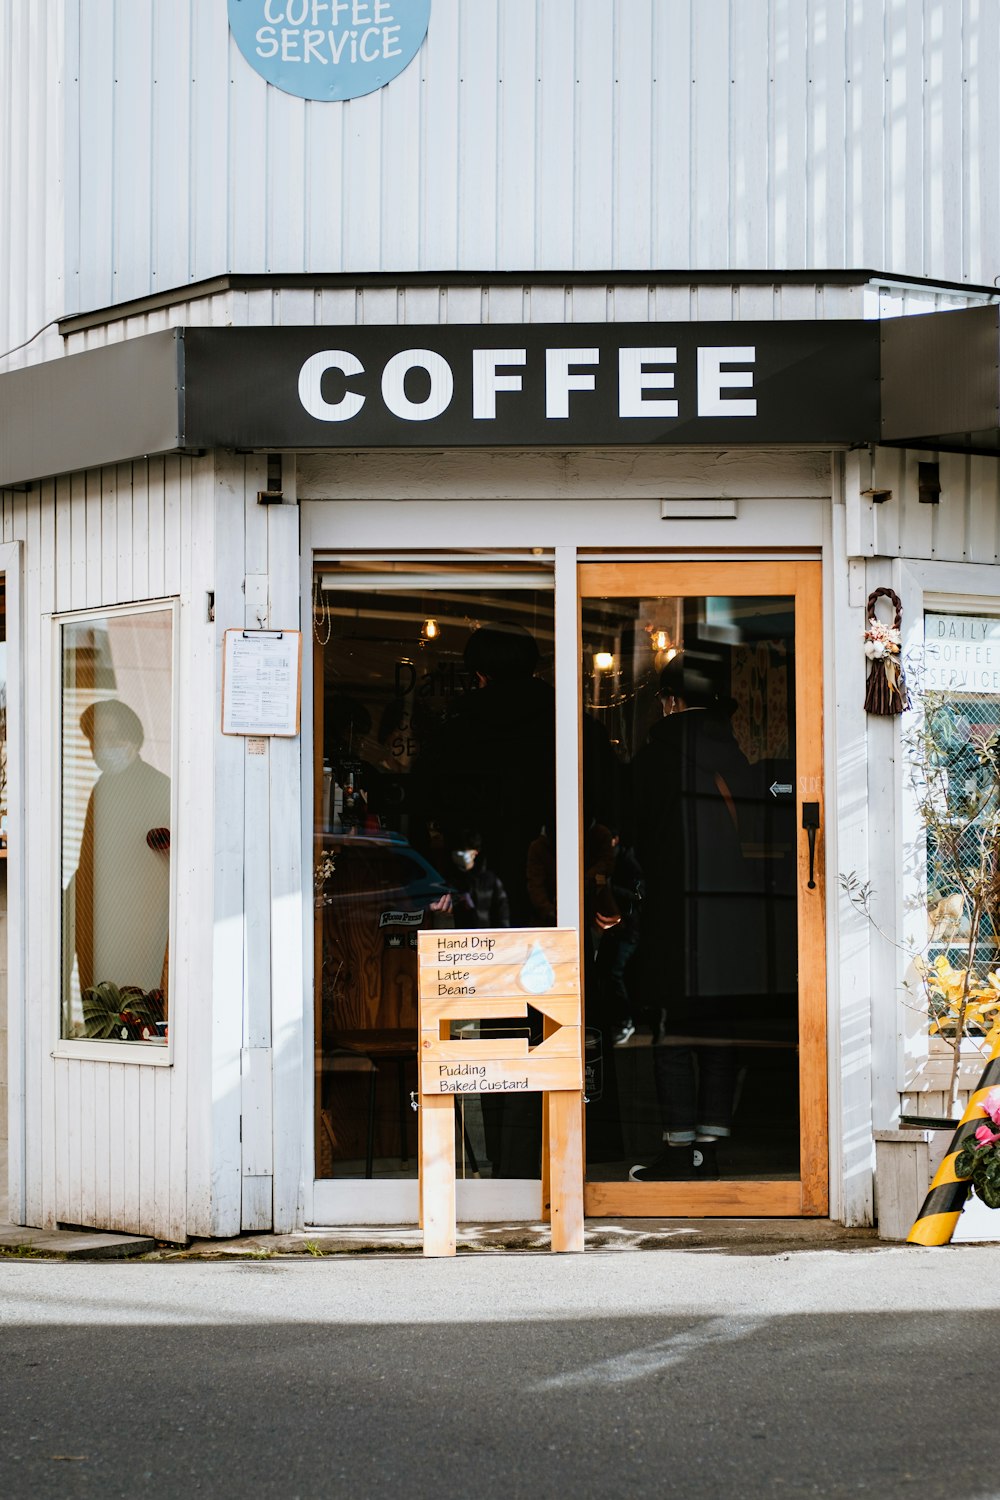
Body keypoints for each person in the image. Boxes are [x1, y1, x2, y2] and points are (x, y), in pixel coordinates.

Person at [629, 654, 750, 1181]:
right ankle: (709, 1148)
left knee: (672, 1030)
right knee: (718, 1030)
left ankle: (678, 1149)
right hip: (733, 916)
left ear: (672, 701)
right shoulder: (738, 759)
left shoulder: (655, 759)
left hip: (672, 913)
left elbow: (631, 839)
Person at [74, 699, 171, 997]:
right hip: (102, 923)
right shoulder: (102, 788)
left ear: (132, 738)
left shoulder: (159, 786)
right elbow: (88, 862)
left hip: (141, 926)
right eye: (96, 739)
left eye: (111, 737)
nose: (102, 747)